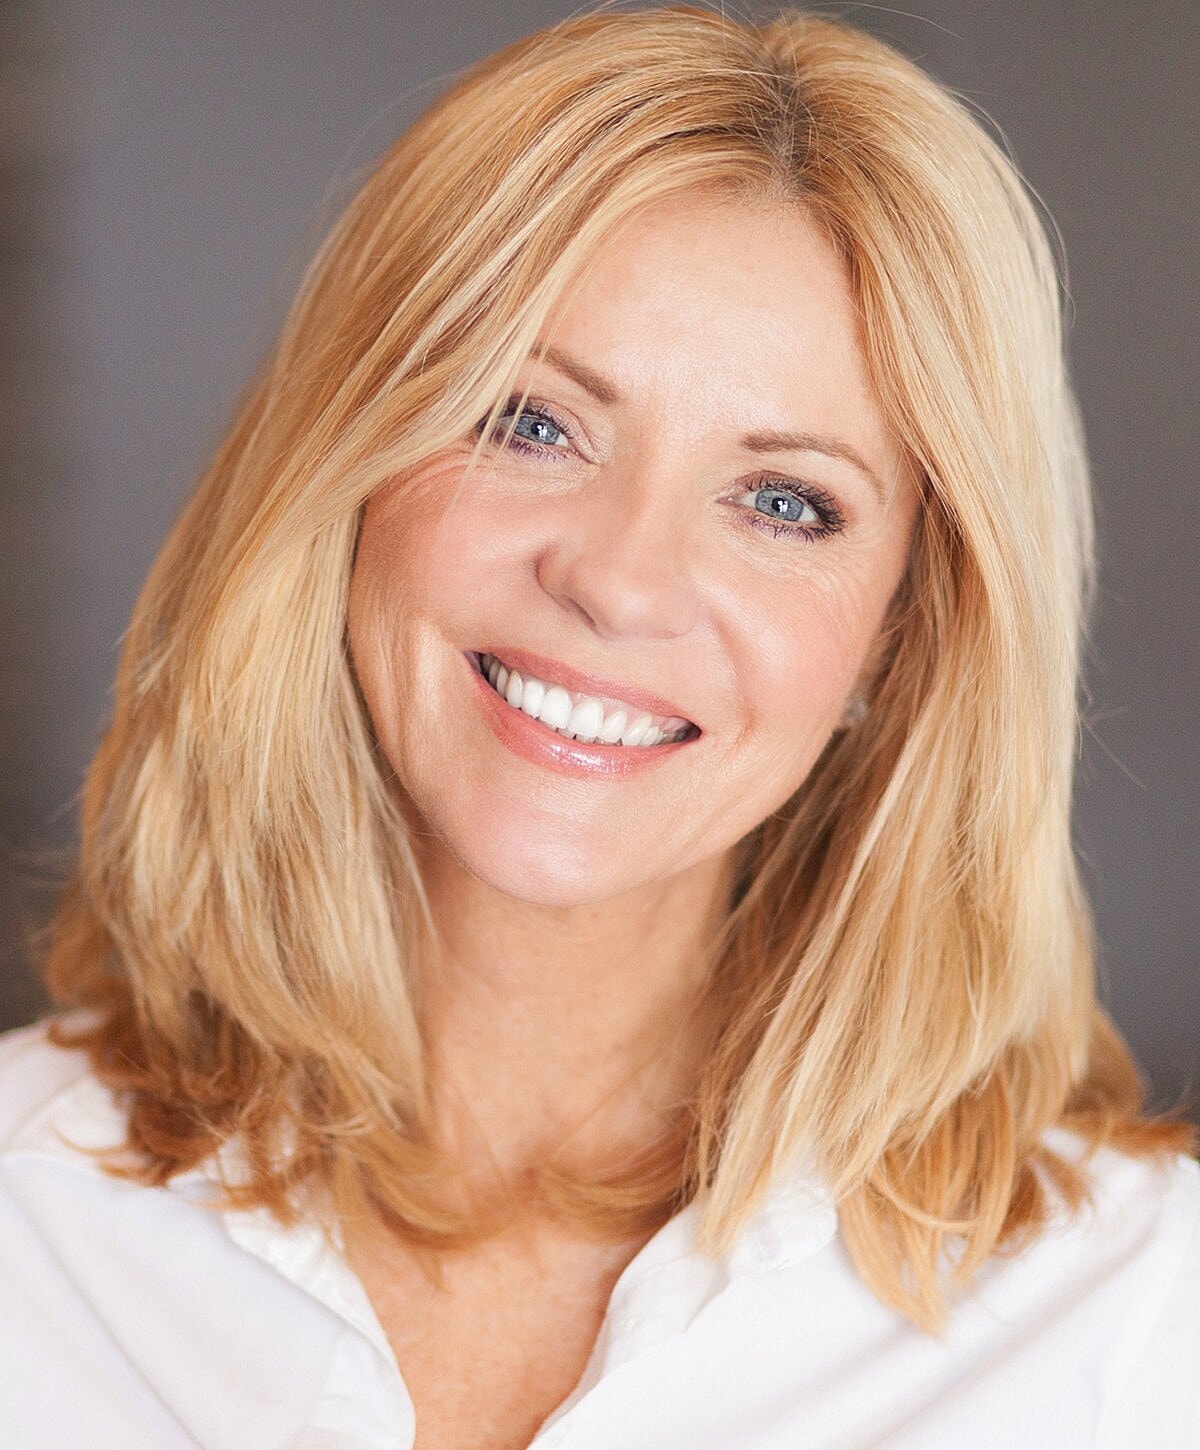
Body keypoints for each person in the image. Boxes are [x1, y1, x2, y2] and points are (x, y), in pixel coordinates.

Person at [1, 6, 1196, 1448]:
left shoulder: (1133, 1326)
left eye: (783, 502)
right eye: (531, 420)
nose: (621, 578)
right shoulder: (30, 1231)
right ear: (348, 469)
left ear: (905, 631)